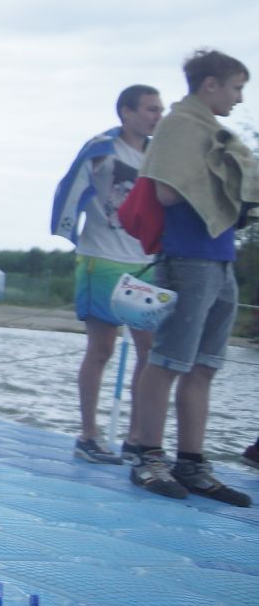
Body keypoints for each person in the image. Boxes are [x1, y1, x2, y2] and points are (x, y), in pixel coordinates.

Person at [120, 49, 255, 506]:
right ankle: (148, 457)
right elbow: (167, 192)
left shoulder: (216, 131)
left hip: (219, 258)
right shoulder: (181, 126)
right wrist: (225, 180)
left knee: (204, 366)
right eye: (235, 87)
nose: (239, 98)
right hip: (187, 258)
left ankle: (192, 462)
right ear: (210, 85)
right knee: (167, 361)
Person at [49, 85, 163, 463]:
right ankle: (88, 434)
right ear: (126, 113)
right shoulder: (101, 148)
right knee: (102, 349)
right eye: (149, 109)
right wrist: (68, 232)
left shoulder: (158, 154)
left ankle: (136, 436)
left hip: (142, 262)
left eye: (159, 109)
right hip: (100, 256)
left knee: (150, 352)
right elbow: (68, 187)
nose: (156, 115)